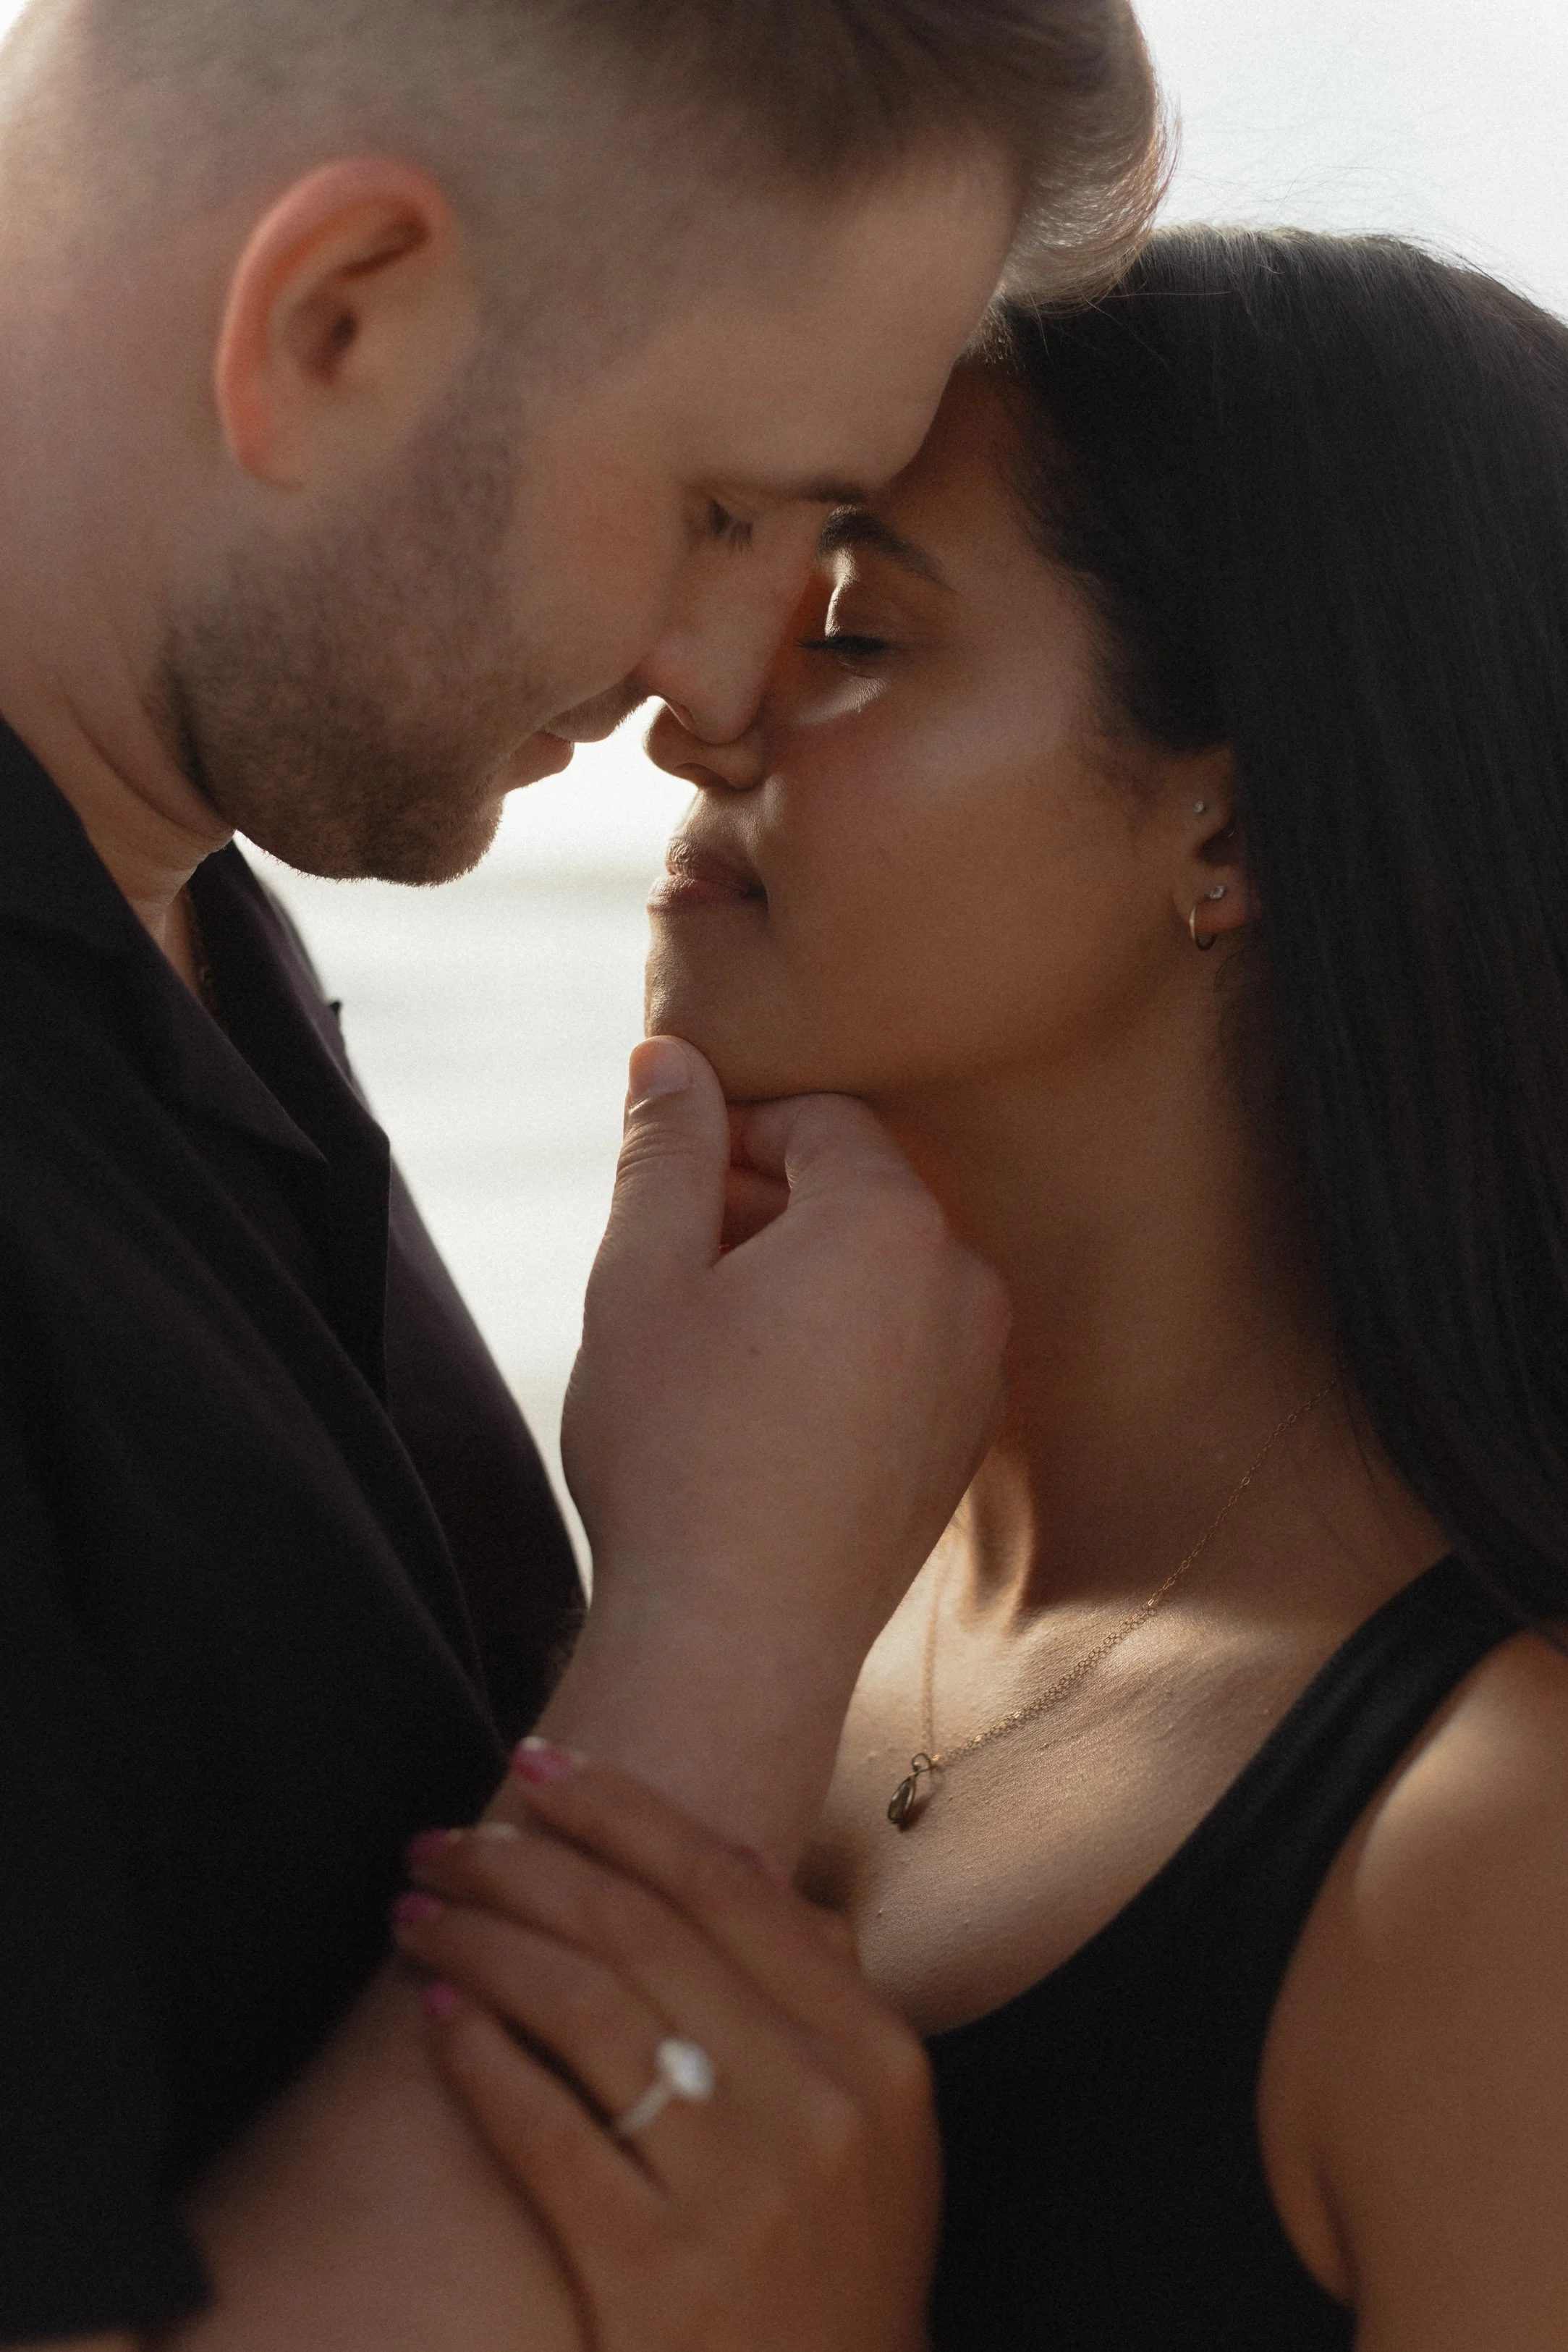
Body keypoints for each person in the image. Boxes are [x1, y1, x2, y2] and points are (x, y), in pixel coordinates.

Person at [0, 0, 1169, 2345]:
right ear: (336, 320)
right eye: (730, 509)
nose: (723, 689)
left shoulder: (178, 912)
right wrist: (724, 1628)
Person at [400, 228, 1568, 2349]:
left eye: (850, 628)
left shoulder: (1495, 1862)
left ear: (1234, 828)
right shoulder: (768, 1552)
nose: (696, 698)